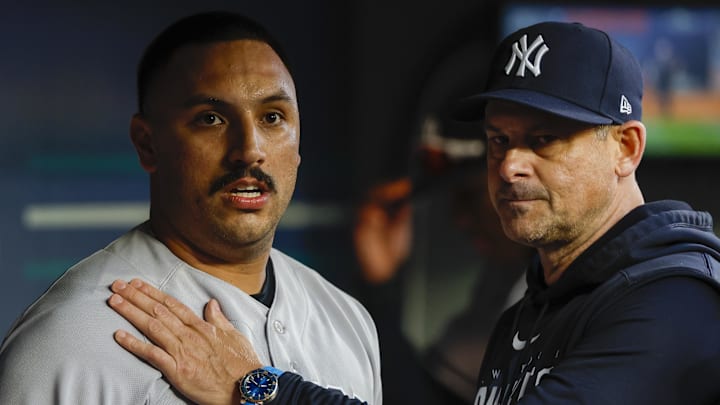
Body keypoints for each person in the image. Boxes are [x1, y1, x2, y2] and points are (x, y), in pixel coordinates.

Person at [108, 20, 720, 404]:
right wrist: (381, 284)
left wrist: (255, 386)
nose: (509, 166)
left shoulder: (676, 306)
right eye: (499, 139)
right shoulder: (526, 315)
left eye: (545, 139)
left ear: (626, 148)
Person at [0, 11, 381, 405]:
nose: (249, 149)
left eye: (272, 117)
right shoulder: (70, 342)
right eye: (211, 119)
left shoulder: (347, 320)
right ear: (147, 144)